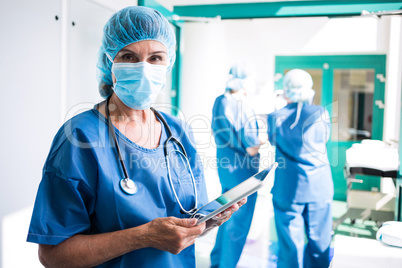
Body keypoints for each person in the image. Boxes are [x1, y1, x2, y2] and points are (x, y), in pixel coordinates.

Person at [26, 6, 245, 268]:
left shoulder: (178, 132)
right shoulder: (79, 137)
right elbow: (53, 255)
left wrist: (207, 222)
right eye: (129, 57)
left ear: (168, 63)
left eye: (155, 58)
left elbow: (184, 221)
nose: (143, 68)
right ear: (110, 62)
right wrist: (143, 237)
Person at [267, 69, 334, 268]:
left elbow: (272, 140)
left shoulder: (275, 117)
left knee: (289, 246)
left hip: (288, 190)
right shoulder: (321, 113)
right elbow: (325, 138)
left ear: (285, 91)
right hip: (319, 188)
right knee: (319, 243)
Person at [210, 62, 264, 268]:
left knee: (225, 220)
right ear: (244, 82)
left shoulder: (220, 101)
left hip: (226, 170)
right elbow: (251, 148)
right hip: (243, 173)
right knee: (238, 225)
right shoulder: (242, 106)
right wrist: (266, 137)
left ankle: (217, 264)